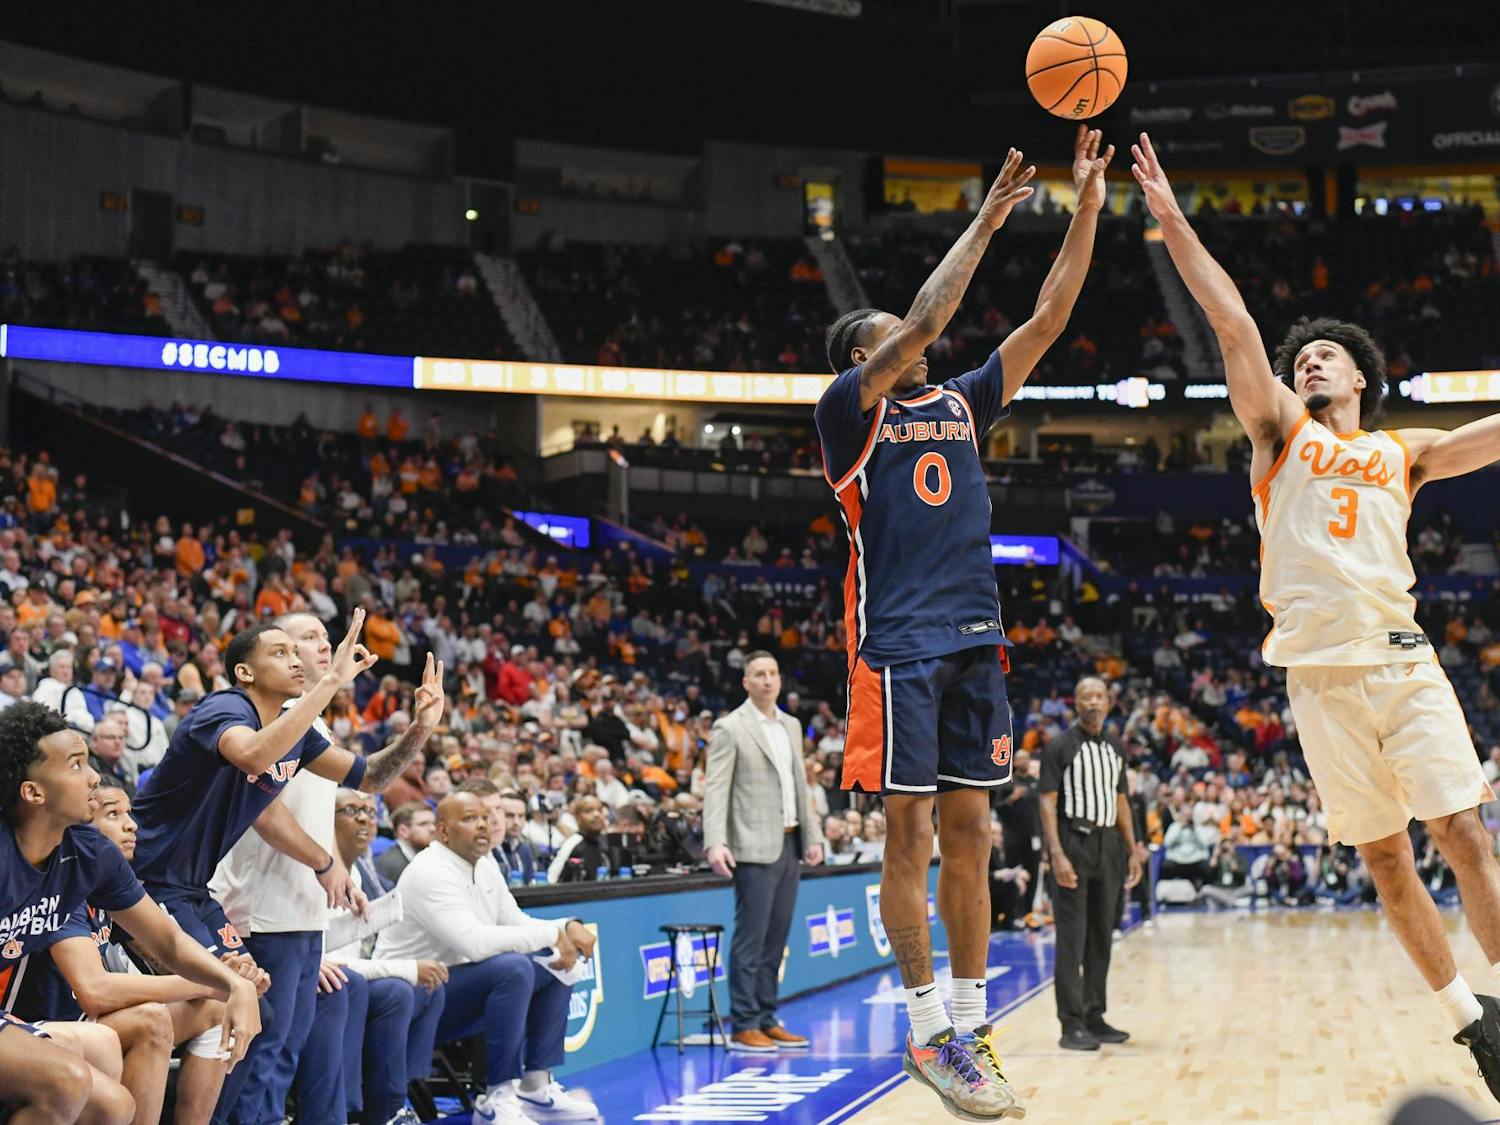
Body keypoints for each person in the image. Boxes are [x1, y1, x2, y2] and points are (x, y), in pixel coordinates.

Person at [1134, 129, 1500, 1095]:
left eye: (1327, 354)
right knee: (1384, 858)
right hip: (1317, 675)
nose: (1310, 363)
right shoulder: (1279, 435)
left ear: (1361, 378)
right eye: (1302, 358)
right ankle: (1472, 1023)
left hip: (1401, 658)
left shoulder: (1400, 452)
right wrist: (1172, 222)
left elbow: (1490, 435)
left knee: (1462, 831)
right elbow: (1235, 325)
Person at [813, 127, 1114, 1120]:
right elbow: (927, 317)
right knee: (909, 836)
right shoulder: (849, 415)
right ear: (863, 359)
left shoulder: (965, 400)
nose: (917, 341)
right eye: (892, 336)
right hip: (897, 646)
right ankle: (924, 1024)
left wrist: (1085, 207)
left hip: (976, 640)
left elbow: (1050, 316)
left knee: (974, 831)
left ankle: (971, 1030)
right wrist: (985, 220)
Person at [126, 612, 434, 1116]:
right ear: (245, 672)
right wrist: (330, 683)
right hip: (144, 881)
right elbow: (251, 756)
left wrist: (420, 728)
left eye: (298, 653)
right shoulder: (225, 708)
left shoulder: (300, 732)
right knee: (229, 1002)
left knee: (258, 1011)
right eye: (282, 651)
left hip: (192, 888)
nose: (295, 659)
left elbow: (371, 777)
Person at [209, 613, 444, 1124]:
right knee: (259, 1057)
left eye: (324, 636)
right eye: (307, 638)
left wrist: (420, 728)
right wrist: (324, 863)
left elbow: (366, 780)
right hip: (261, 912)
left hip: (301, 912)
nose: (324, 645)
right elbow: (262, 811)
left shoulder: (312, 724)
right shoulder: (268, 718)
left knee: (283, 1054)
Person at [0, 701, 260, 1118]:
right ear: (33, 793)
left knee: (117, 1106)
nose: (93, 777)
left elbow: (168, 941)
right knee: (68, 1079)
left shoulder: (89, 854)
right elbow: (96, 988)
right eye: (75, 765)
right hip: (32, 1015)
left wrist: (234, 984)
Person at [373, 792, 598, 1123]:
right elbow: (474, 943)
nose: (482, 824)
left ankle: (535, 1088)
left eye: (484, 817)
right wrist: (554, 934)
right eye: (469, 819)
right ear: (443, 832)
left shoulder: (485, 865)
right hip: (413, 998)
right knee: (513, 968)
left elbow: (515, 921)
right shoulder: (428, 871)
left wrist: (566, 926)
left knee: (552, 962)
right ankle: (497, 1098)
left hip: (454, 988)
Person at [298, 787, 446, 1125]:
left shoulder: (357, 873)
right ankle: (347, 1113)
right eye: (352, 811)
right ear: (324, 819)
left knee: (403, 991)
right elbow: (328, 960)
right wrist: (406, 967)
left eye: (369, 811)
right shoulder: (311, 869)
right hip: (315, 977)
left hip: (347, 979)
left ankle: (392, 1106)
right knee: (359, 985)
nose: (365, 819)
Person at [704, 651, 827, 1051]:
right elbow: (716, 788)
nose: (768, 680)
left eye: (773, 673)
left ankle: (767, 1017)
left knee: (776, 939)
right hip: (752, 845)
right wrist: (715, 841)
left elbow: (799, 785)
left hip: (790, 841)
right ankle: (744, 1022)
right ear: (746, 682)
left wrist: (814, 836)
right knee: (751, 940)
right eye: (759, 674)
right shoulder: (730, 727)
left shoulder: (791, 725)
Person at [1038, 677, 1142, 1051]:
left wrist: (1132, 849)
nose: (1093, 702)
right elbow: (1047, 802)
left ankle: (1094, 1014)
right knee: (1072, 937)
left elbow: (1121, 800)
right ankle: (1071, 1023)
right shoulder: (1060, 746)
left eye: (1099, 697)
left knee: (1101, 934)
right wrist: (1056, 854)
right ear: (1076, 703)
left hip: (1108, 845)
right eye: (1087, 697)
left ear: (1109, 703)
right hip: (1074, 842)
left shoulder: (1115, 746)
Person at [547, 795, 609, 883]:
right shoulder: (572, 844)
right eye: (589, 811)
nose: (596, 814)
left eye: (600, 810)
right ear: (577, 817)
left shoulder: (604, 844)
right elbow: (551, 880)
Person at [379, 800, 436, 885]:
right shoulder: (392, 865)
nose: (433, 829)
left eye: (434, 823)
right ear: (403, 831)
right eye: (423, 824)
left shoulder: (427, 858)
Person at [494, 789, 537, 885]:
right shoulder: (488, 849)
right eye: (509, 815)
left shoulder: (526, 848)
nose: (516, 822)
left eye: (521, 816)